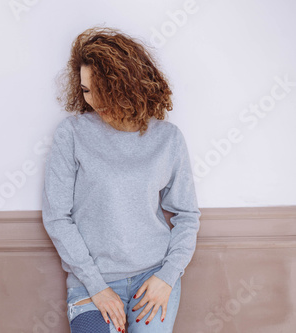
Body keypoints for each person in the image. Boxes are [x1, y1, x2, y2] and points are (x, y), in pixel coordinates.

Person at [41, 25, 201, 333]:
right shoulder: (72, 133)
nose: (93, 101)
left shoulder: (167, 139)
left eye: (102, 90)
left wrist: (167, 276)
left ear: (126, 85)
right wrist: (96, 287)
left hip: (152, 280)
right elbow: (57, 217)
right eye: (86, 90)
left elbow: (187, 215)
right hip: (92, 281)